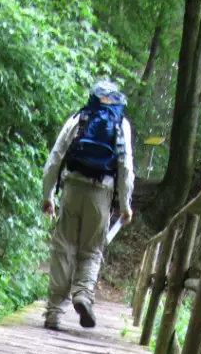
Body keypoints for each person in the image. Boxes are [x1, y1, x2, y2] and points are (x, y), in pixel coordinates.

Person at [41, 80, 135, 330]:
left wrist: (48, 195)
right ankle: (83, 294)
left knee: (64, 247)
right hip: (101, 192)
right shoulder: (120, 124)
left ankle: (53, 313)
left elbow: (55, 158)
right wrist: (125, 205)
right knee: (92, 249)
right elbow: (125, 167)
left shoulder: (79, 118)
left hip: (72, 187)